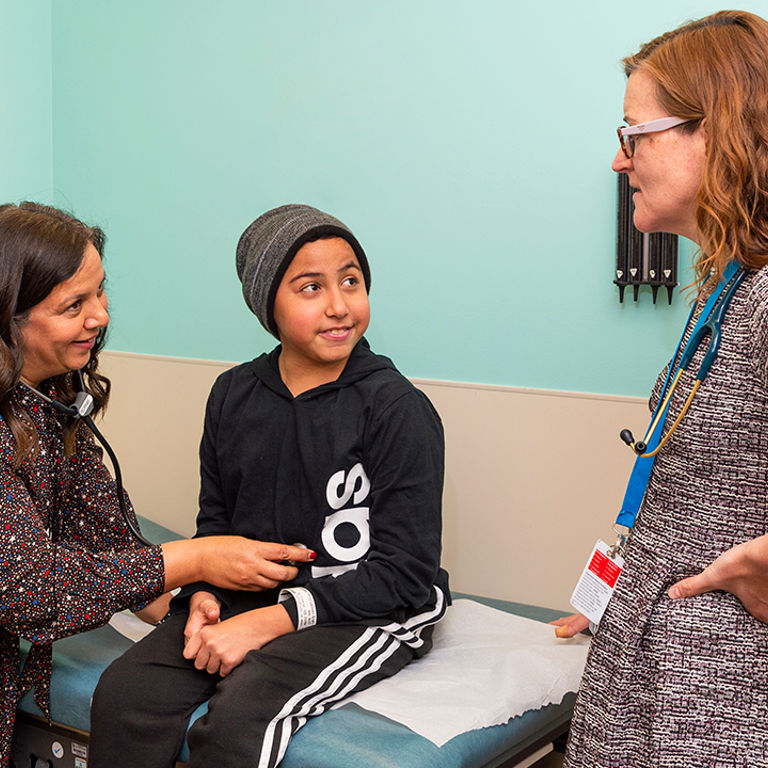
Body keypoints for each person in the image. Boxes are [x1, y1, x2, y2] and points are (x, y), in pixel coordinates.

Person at [89, 204, 449, 768]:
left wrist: (268, 622)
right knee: (125, 694)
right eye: (311, 288)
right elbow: (216, 526)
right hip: (247, 598)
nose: (339, 305)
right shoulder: (233, 395)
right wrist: (202, 594)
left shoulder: (395, 408)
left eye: (351, 281)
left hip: (366, 608)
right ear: (268, 307)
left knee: (241, 716)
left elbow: (406, 574)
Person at [0, 202, 316, 764]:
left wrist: (191, 603)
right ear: (8, 319)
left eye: (100, 292)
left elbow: (106, 534)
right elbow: (30, 590)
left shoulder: (51, 401)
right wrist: (196, 559)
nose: (100, 316)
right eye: (74, 305)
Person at [554, 11, 768, 766]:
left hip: (717, 701)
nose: (620, 160)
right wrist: (622, 595)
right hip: (654, 665)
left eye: (633, 135)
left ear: (718, 132)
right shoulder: (731, 286)